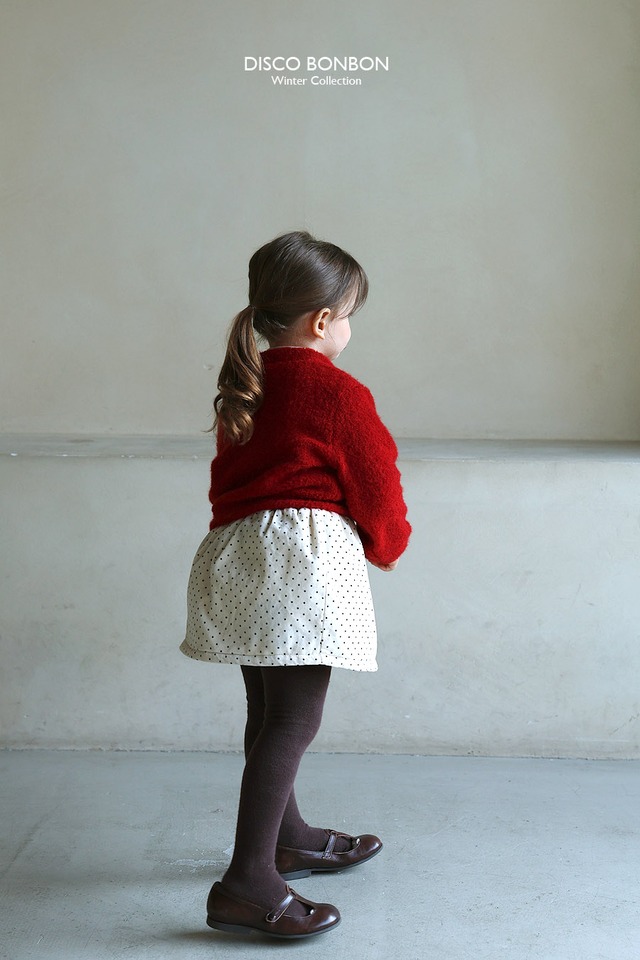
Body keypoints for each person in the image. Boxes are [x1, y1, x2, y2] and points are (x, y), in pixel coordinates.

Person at [180, 230, 411, 939]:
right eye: (349, 317)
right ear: (321, 320)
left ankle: (288, 839)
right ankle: (248, 882)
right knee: (294, 721)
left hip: (240, 559)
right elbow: (376, 482)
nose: (349, 331)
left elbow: (228, 486)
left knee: (268, 710)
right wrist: (388, 543)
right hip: (300, 568)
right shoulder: (336, 392)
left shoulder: (245, 385)